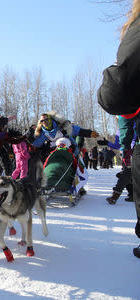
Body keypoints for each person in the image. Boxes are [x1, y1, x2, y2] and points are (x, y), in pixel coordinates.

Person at [97, 0, 140, 258]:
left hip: (130, 141)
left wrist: (121, 146)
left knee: (127, 173)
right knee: (127, 173)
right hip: (127, 141)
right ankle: (120, 194)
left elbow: (119, 97)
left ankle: (117, 195)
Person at [32, 112, 99, 156]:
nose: (44, 122)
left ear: (50, 119)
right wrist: (28, 141)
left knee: (62, 141)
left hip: (69, 148)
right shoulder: (44, 132)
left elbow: (76, 130)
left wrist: (89, 133)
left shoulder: (61, 126)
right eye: (42, 121)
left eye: (46, 120)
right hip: (54, 151)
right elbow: (37, 143)